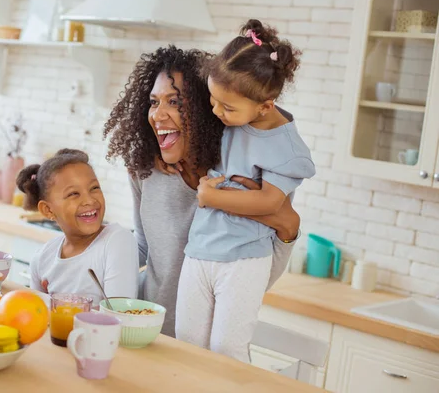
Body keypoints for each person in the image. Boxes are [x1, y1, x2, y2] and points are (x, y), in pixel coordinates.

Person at [104, 45, 300, 338]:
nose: (158, 115)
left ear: (207, 108)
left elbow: (257, 269)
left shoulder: (250, 175)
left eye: (175, 102)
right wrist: (90, 266)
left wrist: (289, 228)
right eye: (154, 102)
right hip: (146, 333)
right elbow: (143, 247)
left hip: (207, 345)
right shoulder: (147, 170)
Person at [176, 19, 315, 362]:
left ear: (266, 105)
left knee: (228, 350)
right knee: (187, 342)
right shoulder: (236, 117)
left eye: (227, 107)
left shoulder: (286, 147)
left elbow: (270, 200)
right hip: (200, 249)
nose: (216, 111)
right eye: (213, 100)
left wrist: (210, 197)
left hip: (244, 257)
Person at [17, 149, 139, 304]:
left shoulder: (117, 241)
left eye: (94, 188)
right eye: (73, 194)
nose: (89, 200)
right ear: (48, 210)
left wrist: (55, 306)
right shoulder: (42, 259)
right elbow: (36, 317)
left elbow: (119, 316)